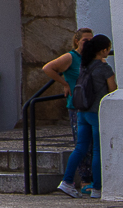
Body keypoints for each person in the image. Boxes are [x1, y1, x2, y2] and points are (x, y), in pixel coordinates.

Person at [58, 34, 115, 198]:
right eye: (108, 49)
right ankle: (97, 188)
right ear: (103, 50)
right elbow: (113, 90)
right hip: (96, 112)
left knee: (80, 148)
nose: (109, 52)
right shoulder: (104, 68)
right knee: (97, 150)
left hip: (82, 111)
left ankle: (67, 181)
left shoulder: (84, 64)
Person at [42, 27, 94, 186]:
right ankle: (84, 179)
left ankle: (91, 178)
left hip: (91, 104)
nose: (89, 43)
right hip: (77, 104)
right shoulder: (71, 57)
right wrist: (65, 83)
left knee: (92, 143)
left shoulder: (92, 58)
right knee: (82, 143)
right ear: (77, 41)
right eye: (85, 40)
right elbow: (48, 68)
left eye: (91, 41)